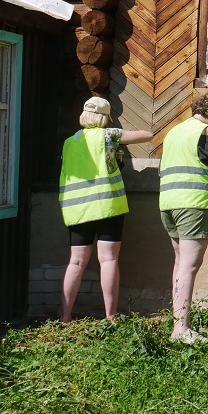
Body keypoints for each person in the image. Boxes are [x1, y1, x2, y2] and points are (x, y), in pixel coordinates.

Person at [58, 96, 152, 322]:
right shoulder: (109, 136)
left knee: (76, 261)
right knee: (108, 260)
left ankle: (64, 317)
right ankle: (110, 316)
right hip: (107, 206)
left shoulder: (70, 142)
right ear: (105, 118)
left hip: (77, 210)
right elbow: (147, 135)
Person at [159, 90, 208, 344]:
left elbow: (197, 158)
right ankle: (181, 330)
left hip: (168, 203)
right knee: (189, 266)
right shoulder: (204, 131)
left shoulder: (175, 131)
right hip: (193, 203)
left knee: (179, 263)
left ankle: (177, 325)